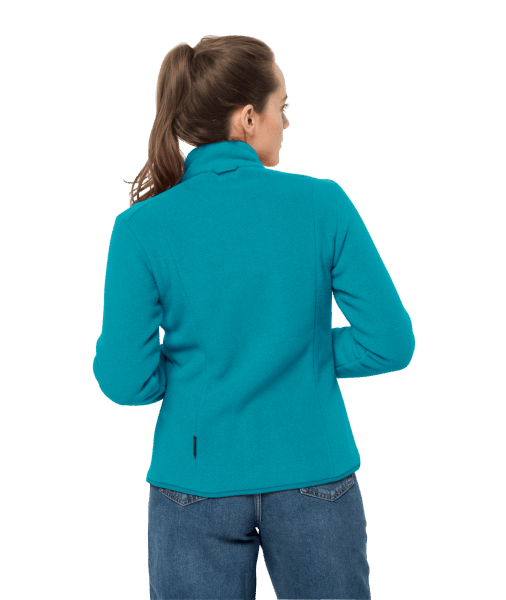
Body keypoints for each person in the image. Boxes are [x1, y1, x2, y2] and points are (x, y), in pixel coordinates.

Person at [97, 34, 414, 600]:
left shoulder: (140, 227)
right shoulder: (322, 203)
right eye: (282, 107)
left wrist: (203, 364)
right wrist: (300, 351)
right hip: (314, 471)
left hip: (193, 482)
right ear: (248, 117)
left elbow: (125, 382)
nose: (286, 122)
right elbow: (389, 342)